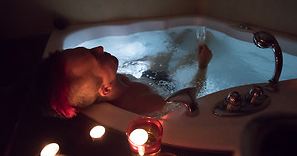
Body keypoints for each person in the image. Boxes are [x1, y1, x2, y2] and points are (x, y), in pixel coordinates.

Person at [33, 44, 212, 118]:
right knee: (183, 63)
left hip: (147, 78)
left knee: (161, 56)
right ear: (105, 90)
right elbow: (191, 98)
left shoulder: (108, 82)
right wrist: (202, 67)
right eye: (96, 57)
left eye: (89, 49)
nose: (99, 48)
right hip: (166, 88)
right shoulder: (146, 104)